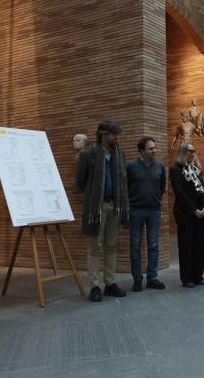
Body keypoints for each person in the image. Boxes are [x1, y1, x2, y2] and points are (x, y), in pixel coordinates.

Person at [75, 121, 130, 302]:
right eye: (113, 134)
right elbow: (81, 183)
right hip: (97, 207)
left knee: (112, 245)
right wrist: (94, 197)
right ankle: (94, 286)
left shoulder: (118, 152)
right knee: (95, 247)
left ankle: (110, 282)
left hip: (115, 204)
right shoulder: (88, 154)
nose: (116, 137)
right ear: (103, 135)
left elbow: (123, 180)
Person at [125, 136, 167, 292]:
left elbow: (161, 187)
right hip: (135, 210)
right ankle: (137, 278)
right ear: (141, 151)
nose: (154, 150)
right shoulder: (131, 167)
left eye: (154, 147)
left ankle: (152, 277)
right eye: (150, 148)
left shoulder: (160, 166)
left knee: (153, 245)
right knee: (135, 245)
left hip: (154, 210)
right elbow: (125, 187)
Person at [170, 142, 204, 288]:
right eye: (189, 151)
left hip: (200, 212)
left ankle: (198, 275)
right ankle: (187, 278)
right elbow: (180, 193)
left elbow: (203, 189)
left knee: (200, 244)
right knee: (187, 245)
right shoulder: (175, 170)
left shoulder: (195, 169)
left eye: (194, 151)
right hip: (185, 212)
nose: (193, 154)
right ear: (182, 152)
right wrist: (194, 210)